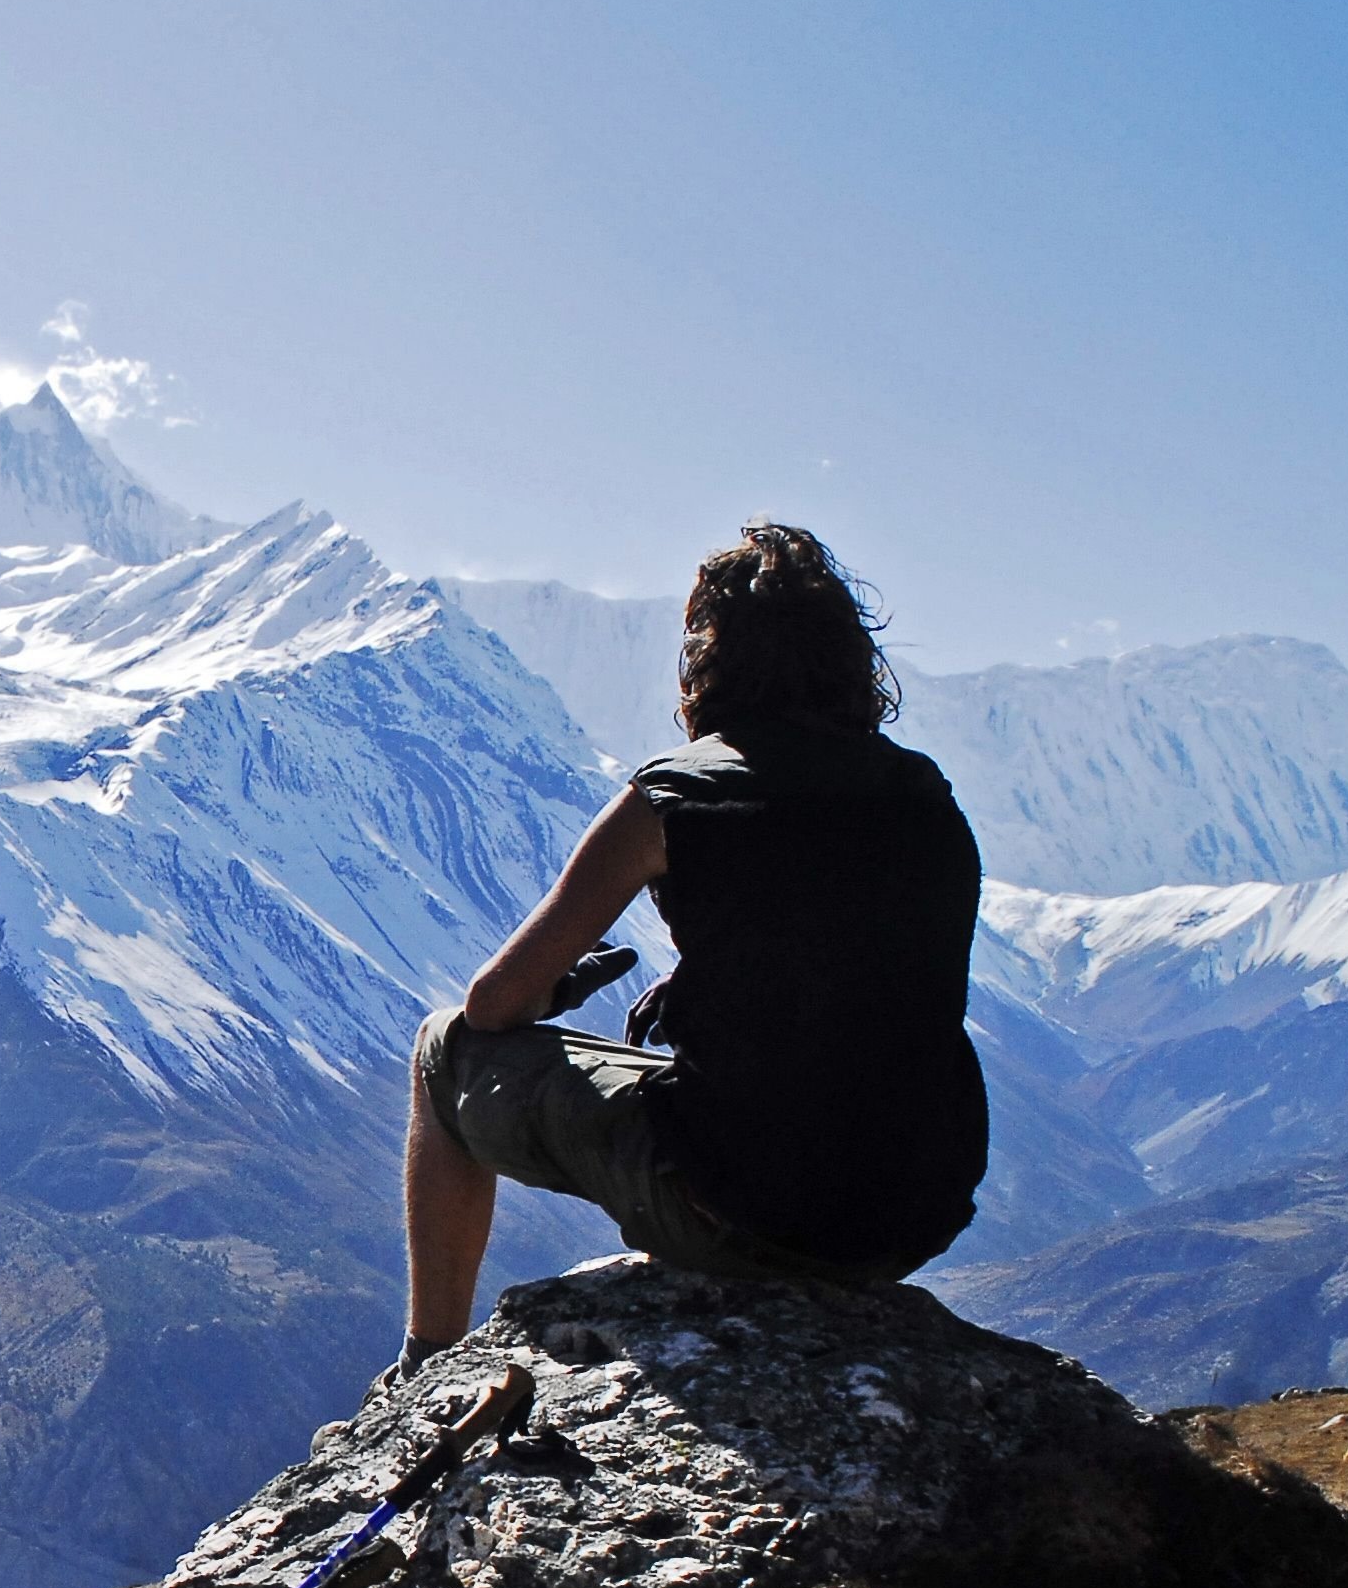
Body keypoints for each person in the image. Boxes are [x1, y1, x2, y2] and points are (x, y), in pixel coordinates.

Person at [402, 521, 988, 1359]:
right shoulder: (926, 797)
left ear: (707, 661)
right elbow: (878, 978)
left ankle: (427, 1359)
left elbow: (494, 1003)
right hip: (914, 1213)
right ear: (853, 662)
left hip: (743, 1212)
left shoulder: (677, 796)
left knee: (442, 1047)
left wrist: (552, 996)